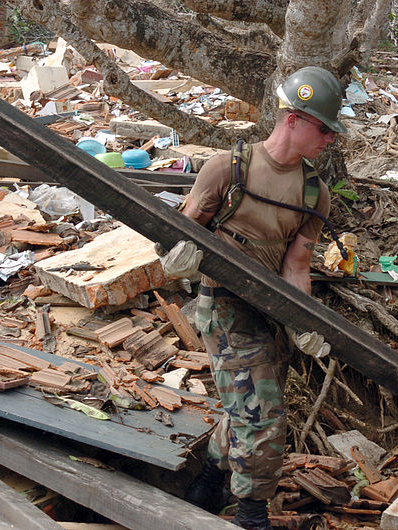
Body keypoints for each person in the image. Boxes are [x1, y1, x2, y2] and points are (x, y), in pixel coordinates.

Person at [156, 66, 345, 530]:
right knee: (263, 417)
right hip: (223, 308)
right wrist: (174, 256)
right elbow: (180, 235)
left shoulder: (313, 193)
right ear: (294, 119)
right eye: (325, 128)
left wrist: (304, 321)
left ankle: (205, 481)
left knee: (247, 407)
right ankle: (251, 515)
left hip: (272, 314)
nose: (330, 140)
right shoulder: (228, 169)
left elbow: (296, 267)